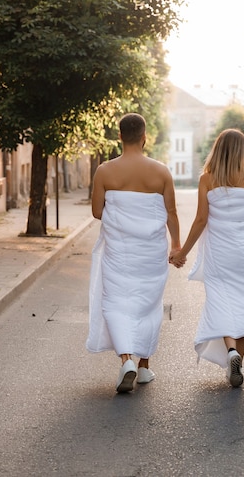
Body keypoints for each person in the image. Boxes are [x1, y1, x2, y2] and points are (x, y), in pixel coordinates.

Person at [170, 128, 244, 387]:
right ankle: (238, 360)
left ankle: (231, 352)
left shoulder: (207, 179)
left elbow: (201, 219)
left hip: (222, 253)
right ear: (243, 152)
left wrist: (182, 252)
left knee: (223, 302)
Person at [86, 113, 182, 393]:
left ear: (119, 136)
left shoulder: (104, 171)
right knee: (148, 305)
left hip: (119, 251)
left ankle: (125, 359)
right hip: (151, 252)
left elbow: (96, 211)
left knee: (115, 302)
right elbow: (171, 213)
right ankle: (143, 367)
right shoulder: (161, 171)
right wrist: (176, 247)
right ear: (144, 137)